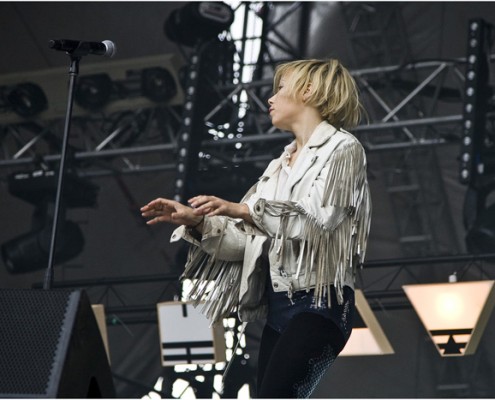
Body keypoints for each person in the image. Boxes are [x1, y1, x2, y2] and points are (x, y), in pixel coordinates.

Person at [141, 58, 372, 398]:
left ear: (308, 90)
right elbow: (245, 242)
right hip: (279, 312)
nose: (271, 98)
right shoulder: (277, 168)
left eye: (280, 88)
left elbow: (318, 221)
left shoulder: (343, 148)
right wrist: (199, 222)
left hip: (321, 305)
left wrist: (246, 209)